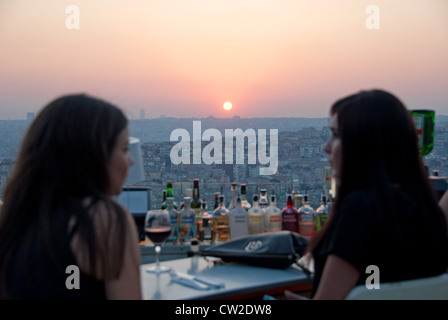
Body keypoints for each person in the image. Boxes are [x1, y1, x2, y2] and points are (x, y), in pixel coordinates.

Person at [287, 89, 448, 300]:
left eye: (336, 135)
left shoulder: (361, 209)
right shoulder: (427, 210)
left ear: (362, 144)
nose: (326, 147)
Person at [0, 94, 142, 299]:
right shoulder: (103, 220)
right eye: (124, 149)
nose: (130, 161)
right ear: (94, 155)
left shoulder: (13, 218)